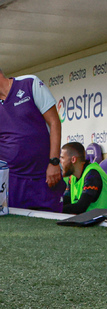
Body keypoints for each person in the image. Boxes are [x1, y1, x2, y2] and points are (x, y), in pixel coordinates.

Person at [0, 68, 63, 211]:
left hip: (44, 177)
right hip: (12, 182)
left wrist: (54, 162)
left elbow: (54, 122)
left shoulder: (29, 83)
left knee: (50, 227)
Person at [61, 141, 107, 214]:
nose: (60, 162)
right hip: (93, 219)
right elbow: (66, 200)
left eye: (62, 158)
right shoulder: (72, 177)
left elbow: (81, 207)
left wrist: (54, 209)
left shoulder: (92, 174)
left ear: (73, 159)